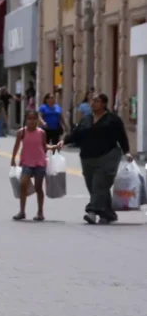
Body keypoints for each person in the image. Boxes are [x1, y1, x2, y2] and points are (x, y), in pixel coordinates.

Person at [59, 93, 132, 225]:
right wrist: (63, 142)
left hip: (108, 156)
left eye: (96, 101)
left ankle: (91, 212)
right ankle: (107, 213)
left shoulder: (112, 119)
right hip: (87, 157)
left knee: (99, 184)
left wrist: (126, 152)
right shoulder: (86, 119)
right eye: (92, 100)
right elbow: (76, 134)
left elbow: (121, 136)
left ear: (104, 104)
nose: (92, 103)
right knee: (93, 186)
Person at [10, 110, 58, 222]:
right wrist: (13, 159)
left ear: (37, 120)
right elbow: (16, 146)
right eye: (29, 119)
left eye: (34, 119)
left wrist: (52, 147)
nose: (31, 121)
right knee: (23, 184)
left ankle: (40, 212)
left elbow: (43, 146)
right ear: (26, 120)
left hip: (39, 163)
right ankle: (22, 211)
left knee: (38, 187)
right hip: (26, 162)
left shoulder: (41, 133)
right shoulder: (21, 132)